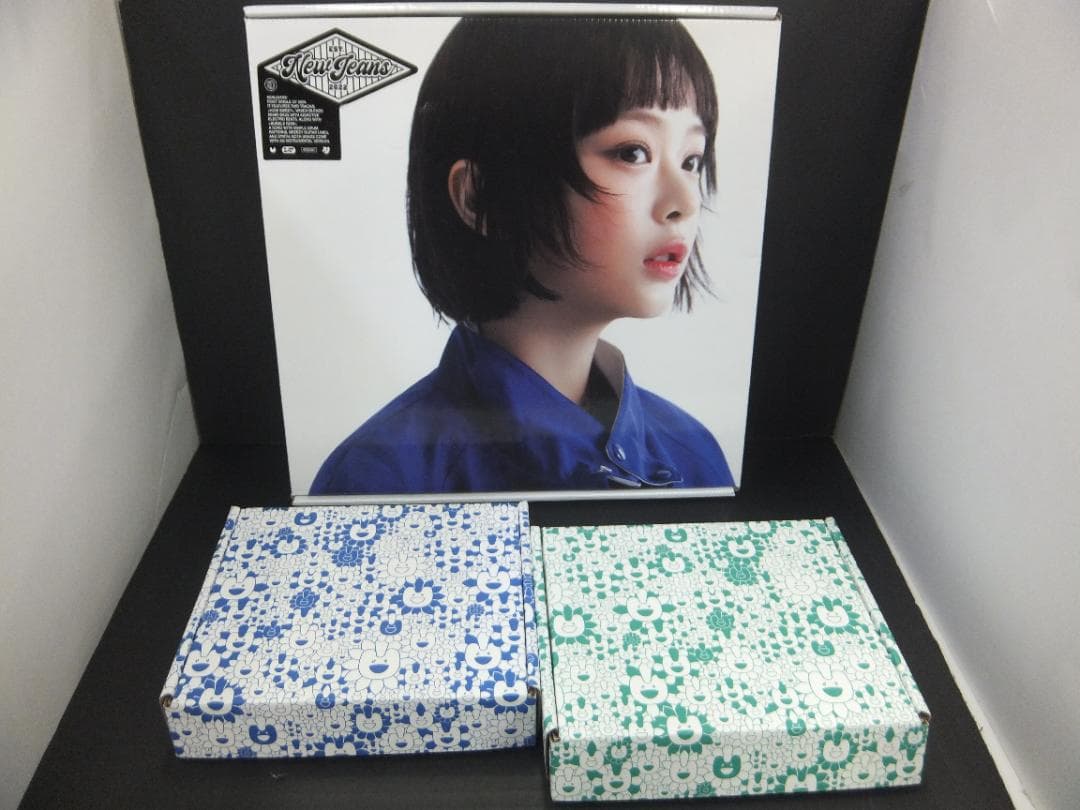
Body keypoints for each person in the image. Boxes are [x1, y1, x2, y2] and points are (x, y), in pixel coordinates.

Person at [311, 16, 734, 495]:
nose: (686, 201)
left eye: (692, 160)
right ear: (479, 197)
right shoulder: (379, 482)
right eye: (632, 153)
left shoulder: (694, 454)